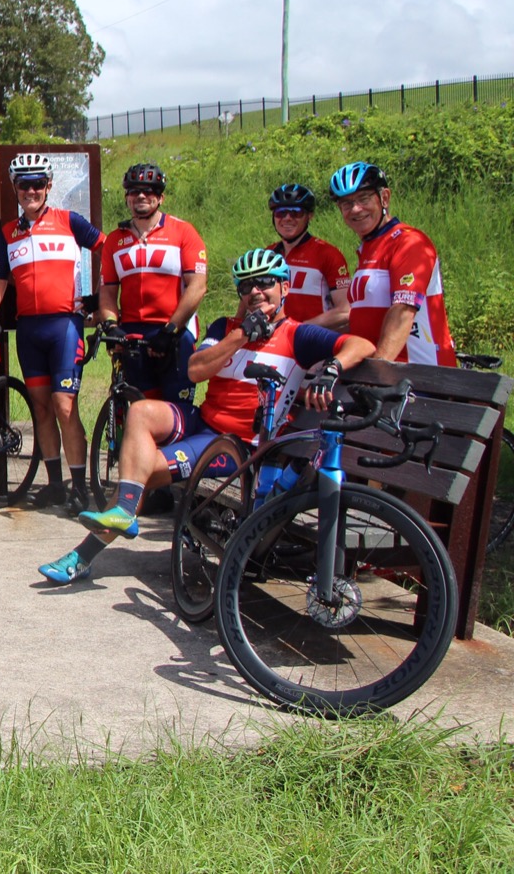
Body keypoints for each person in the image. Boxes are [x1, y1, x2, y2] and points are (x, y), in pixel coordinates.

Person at [41, 249, 375, 583]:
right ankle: (123, 513)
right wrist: (243, 334)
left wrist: (333, 368)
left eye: (265, 283)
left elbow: (362, 345)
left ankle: (83, 555)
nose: (255, 292)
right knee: (141, 411)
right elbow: (195, 370)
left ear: (284, 288)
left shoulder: (298, 335)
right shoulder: (225, 328)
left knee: (140, 473)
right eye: (246, 287)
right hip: (203, 421)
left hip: (234, 444)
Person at [0, 156, 104, 514]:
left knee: (65, 407)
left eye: (37, 185)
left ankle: (80, 487)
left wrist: (100, 295)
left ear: (49, 187)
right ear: (15, 188)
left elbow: (109, 250)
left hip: (64, 326)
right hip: (30, 331)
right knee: (42, 408)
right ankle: (55, 485)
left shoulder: (70, 222)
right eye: (23, 185)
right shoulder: (8, 233)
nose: (30, 191)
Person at [96, 163, 208, 408]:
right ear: (127, 198)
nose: (141, 196)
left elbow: (197, 286)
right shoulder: (115, 240)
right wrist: (112, 326)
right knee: (140, 410)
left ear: (161, 197)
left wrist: (171, 330)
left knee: (176, 412)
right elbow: (107, 292)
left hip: (174, 332)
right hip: (134, 333)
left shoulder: (183, 232)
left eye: (149, 191)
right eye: (134, 191)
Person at [329, 161, 457, 366]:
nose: (355, 209)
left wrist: (377, 371)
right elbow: (362, 318)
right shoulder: (370, 248)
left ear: (384, 198)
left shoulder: (409, 242)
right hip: (385, 373)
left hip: (419, 375)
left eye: (363, 198)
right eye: (346, 204)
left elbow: (403, 311)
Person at [266, 182, 350, 328]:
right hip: (274, 342)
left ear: (309, 216)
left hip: (311, 340)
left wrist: (298, 329)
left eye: (295, 213)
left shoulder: (328, 254)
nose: (287, 218)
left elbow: (345, 311)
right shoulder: (268, 254)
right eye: (281, 213)